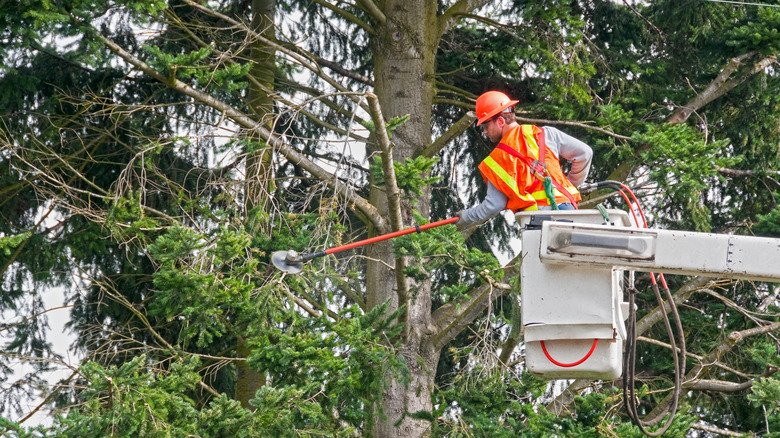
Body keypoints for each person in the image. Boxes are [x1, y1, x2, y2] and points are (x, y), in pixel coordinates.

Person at [457, 91, 593, 229]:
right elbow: (585, 153)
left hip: (539, 221)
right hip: (569, 211)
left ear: (500, 121)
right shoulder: (545, 133)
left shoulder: (498, 159)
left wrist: (465, 217)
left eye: (485, 126)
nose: (484, 132)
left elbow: (493, 205)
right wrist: (570, 185)